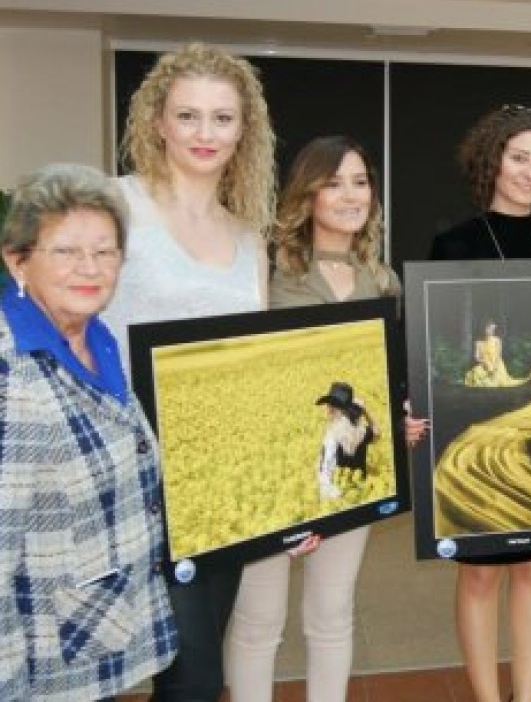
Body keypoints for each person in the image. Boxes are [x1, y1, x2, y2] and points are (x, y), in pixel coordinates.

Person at [223, 134, 427, 702]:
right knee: (259, 618)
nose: (350, 195)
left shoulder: (382, 279)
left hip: (348, 468)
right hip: (273, 467)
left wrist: (397, 420)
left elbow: (384, 379)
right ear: (307, 193)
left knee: (333, 612)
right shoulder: (266, 268)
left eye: (360, 182)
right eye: (334, 183)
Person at [102, 41, 276, 701]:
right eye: (189, 115)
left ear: (243, 130)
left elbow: (255, 369)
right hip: (134, 478)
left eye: (222, 118)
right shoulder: (115, 207)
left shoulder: (248, 238)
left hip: (219, 483)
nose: (206, 133)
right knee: (189, 675)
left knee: (196, 675)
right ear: (158, 122)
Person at [0, 163, 177, 701]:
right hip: (41, 670)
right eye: (66, 251)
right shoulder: (11, 377)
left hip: (91, 642)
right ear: (18, 260)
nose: (90, 268)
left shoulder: (96, 338)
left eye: (105, 251)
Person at [428, 104, 531, 702]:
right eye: (520, 158)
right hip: (470, 399)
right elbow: (434, 340)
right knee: (479, 574)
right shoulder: (452, 245)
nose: (530, 173)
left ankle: (529, 694)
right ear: (493, 160)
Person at [464, 320, 522, 387]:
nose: (490, 331)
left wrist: (494, 367)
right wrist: (484, 362)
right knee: (476, 372)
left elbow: (498, 355)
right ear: (484, 329)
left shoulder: (497, 340)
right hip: (484, 364)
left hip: (496, 364)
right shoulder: (479, 343)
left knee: (496, 378)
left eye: (492, 330)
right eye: (488, 329)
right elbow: (476, 357)